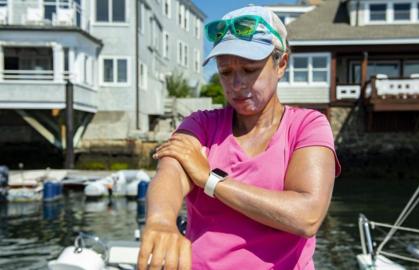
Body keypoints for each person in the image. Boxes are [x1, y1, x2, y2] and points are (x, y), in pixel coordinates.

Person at [137, 5, 341, 270]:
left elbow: (307, 215)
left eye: (249, 69)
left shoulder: (307, 126)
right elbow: (171, 174)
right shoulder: (201, 125)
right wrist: (161, 220)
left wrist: (211, 181)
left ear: (281, 64)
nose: (236, 84)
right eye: (225, 72)